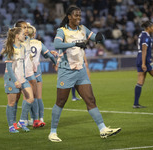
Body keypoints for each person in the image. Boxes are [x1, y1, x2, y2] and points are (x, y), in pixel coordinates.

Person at [48, 6, 121, 142]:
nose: (78, 18)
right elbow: (57, 44)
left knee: (90, 100)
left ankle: (103, 129)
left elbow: (96, 38)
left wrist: (101, 37)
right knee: (61, 101)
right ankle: (52, 133)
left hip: (80, 70)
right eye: (76, 15)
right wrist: (75, 43)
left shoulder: (83, 29)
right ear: (69, 16)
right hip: (66, 70)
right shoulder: (62, 30)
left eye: (80, 16)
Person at [2, 27, 34, 133]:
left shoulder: (23, 48)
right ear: (17, 36)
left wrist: (23, 76)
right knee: (11, 103)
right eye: (22, 34)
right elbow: (9, 68)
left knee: (30, 98)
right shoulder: (10, 48)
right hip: (12, 80)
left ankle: (21, 122)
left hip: (22, 78)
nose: (24, 36)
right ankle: (11, 126)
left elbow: (22, 64)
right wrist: (15, 80)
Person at [14, 21, 45, 128]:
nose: (26, 29)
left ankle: (29, 120)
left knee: (31, 97)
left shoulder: (27, 41)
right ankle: (15, 122)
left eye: (27, 27)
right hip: (17, 75)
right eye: (24, 27)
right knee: (15, 100)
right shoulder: (15, 44)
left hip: (28, 73)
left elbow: (29, 57)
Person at [27, 24, 57, 126]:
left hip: (26, 73)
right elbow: (48, 55)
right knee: (39, 97)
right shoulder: (39, 43)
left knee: (29, 97)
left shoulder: (23, 44)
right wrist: (55, 63)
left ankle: (31, 119)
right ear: (34, 34)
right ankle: (41, 119)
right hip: (37, 73)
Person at [133, 21, 153, 108]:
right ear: (148, 28)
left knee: (140, 82)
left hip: (142, 59)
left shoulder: (142, 35)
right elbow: (144, 50)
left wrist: (151, 60)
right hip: (144, 60)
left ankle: (136, 104)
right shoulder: (146, 36)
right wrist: (144, 63)